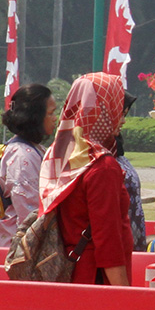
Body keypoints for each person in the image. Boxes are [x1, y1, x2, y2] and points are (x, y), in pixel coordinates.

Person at [39, 72, 134, 286]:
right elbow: (108, 241)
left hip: (66, 274)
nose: (122, 119)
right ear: (103, 111)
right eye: (117, 107)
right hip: (96, 281)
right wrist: (126, 296)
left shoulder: (59, 155)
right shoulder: (102, 167)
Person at [0, 84, 56, 247]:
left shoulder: (35, 149)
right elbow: (29, 213)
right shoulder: (23, 156)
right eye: (51, 113)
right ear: (35, 117)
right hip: (20, 250)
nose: (55, 118)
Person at [114, 94, 147, 252]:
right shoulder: (93, 157)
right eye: (120, 114)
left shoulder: (117, 152)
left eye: (125, 114)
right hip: (114, 247)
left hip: (132, 242)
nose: (124, 121)